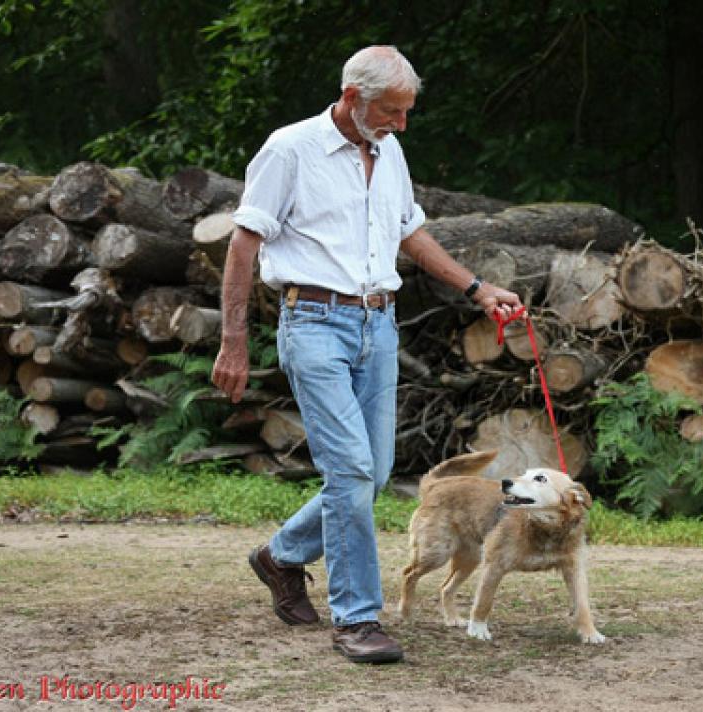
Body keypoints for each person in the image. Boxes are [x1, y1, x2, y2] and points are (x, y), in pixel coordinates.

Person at [210, 45, 523, 664]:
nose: (401, 124)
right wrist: (234, 342)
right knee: (351, 472)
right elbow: (243, 247)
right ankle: (357, 618)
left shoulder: (390, 150)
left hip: (378, 326)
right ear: (352, 97)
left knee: (372, 472)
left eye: (407, 112)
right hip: (314, 323)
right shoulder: (289, 149)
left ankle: (280, 556)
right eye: (392, 111)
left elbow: (410, 232)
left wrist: (477, 289)